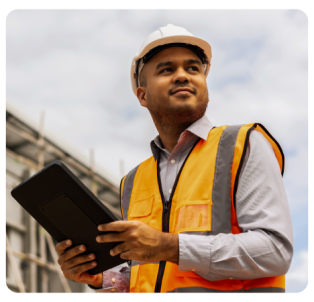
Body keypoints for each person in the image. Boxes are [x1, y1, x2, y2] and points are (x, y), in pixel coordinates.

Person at [55, 24, 293, 294]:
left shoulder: (242, 144)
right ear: (142, 95)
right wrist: (100, 276)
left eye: (193, 68)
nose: (183, 76)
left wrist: (169, 246)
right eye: (167, 69)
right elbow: (150, 274)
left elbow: (275, 252)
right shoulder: (132, 182)